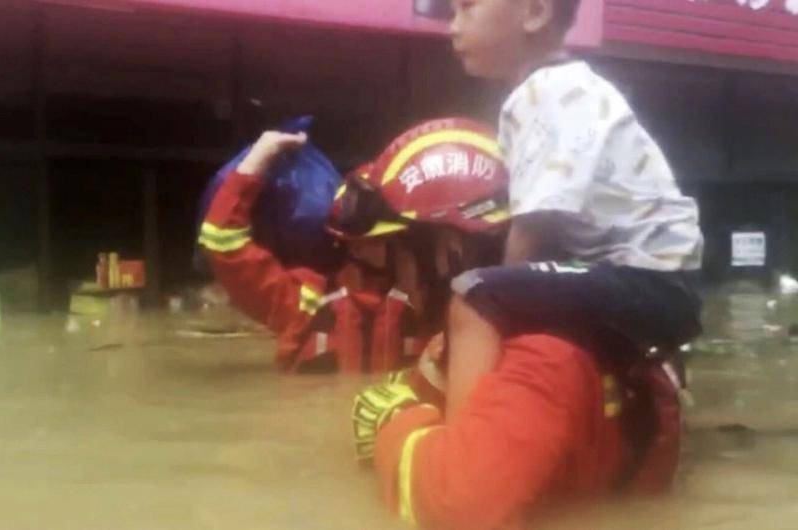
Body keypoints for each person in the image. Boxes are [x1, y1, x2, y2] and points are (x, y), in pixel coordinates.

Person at [351, 117, 683, 530]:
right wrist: (414, 392)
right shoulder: (536, 322)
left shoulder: (539, 353)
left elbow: (460, 509)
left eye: (397, 255)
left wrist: (396, 422)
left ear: (449, 250)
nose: (394, 283)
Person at [442, 0, 704, 417]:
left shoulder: (548, 92)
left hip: (647, 283)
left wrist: (501, 299)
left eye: (467, 7)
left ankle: (461, 452)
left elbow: (535, 227)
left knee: (474, 294)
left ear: (535, 13)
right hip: (658, 285)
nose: (452, 27)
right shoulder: (566, 86)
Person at [198, 120, 506, 375]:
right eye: (360, 243)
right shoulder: (305, 301)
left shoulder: (435, 304)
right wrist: (257, 160)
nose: (360, 249)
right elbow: (223, 245)